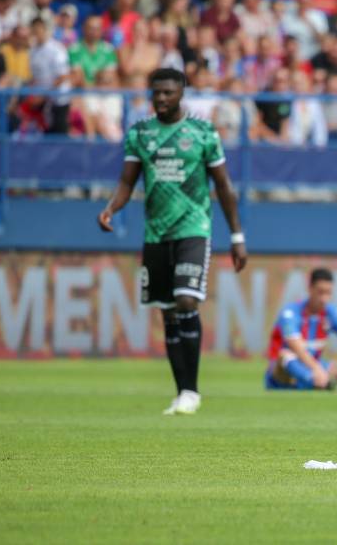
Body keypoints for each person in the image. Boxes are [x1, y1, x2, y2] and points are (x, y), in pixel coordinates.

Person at [97, 68, 248, 415]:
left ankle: (192, 391)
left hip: (194, 228)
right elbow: (127, 182)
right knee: (167, 310)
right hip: (156, 233)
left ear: (181, 92)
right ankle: (182, 392)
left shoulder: (202, 133)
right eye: (156, 93)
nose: (161, 99)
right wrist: (111, 209)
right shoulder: (140, 134)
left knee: (185, 300)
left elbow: (224, 187)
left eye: (168, 92)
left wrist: (237, 236)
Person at [30, 16, 70, 134]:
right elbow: (36, 76)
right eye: (34, 30)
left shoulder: (56, 49)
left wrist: (43, 95)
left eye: (39, 29)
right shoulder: (33, 50)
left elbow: (62, 76)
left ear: (45, 29)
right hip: (43, 101)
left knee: (59, 136)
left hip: (58, 101)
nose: (37, 33)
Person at [68, 16, 118, 87]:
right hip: (82, 91)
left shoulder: (109, 50)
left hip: (104, 90)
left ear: (101, 30)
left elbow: (110, 76)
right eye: (91, 28)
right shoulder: (74, 49)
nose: (94, 32)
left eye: (97, 28)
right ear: (84, 29)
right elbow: (78, 78)